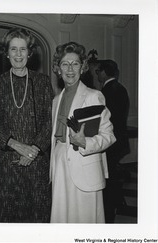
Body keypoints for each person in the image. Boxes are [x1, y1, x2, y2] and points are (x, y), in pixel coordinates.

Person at [0, 28, 53, 223]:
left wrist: (33, 150)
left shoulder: (42, 82)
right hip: (6, 164)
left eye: (23, 49)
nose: (18, 54)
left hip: (36, 162)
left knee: (36, 216)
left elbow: (50, 121)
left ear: (30, 53)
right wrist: (16, 145)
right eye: (13, 49)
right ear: (6, 53)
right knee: (7, 215)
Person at [50, 42, 116, 223]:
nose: (70, 69)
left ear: (83, 67)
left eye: (75, 64)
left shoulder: (93, 96)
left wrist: (85, 142)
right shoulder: (56, 100)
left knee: (85, 222)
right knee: (62, 220)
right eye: (65, 64)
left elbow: (108, 136)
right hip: (60, 164)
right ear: (58, 68)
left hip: (85, 164)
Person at [96, 59, 130, 223]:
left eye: (97, 72)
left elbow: (106, 121)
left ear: (103, 72)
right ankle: (116, 204)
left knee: (108, 179)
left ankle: (109, 214)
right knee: (113, 177)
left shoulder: (107, 91)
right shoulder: (119, 88)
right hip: (118, 141)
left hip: (111, 143)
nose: (97, 75)